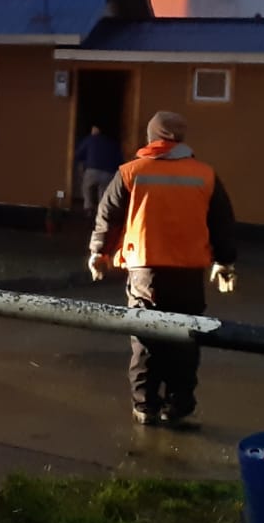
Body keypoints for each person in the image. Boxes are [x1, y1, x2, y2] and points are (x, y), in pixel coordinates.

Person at [88, 110, 237, 428]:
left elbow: (108, 215)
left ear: (151, 136)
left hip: (146, 272)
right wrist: (225, 262)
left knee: (146, 340)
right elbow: (222, 222)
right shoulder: (205, 174)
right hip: (188, 273)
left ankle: (145, 407)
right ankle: (179, 404)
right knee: (185, 339)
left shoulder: (131, 172)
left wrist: (99, 253)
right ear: (180, 138)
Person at [74, 125, 123, 219]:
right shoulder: (112, 143)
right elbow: (119, 160)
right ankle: (101, 211)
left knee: (86, 187)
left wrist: (83, 162)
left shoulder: (90, 139)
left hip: (92, 170)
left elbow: (79, 154)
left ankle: (88, 207)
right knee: (103, 192)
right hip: (108, 173)